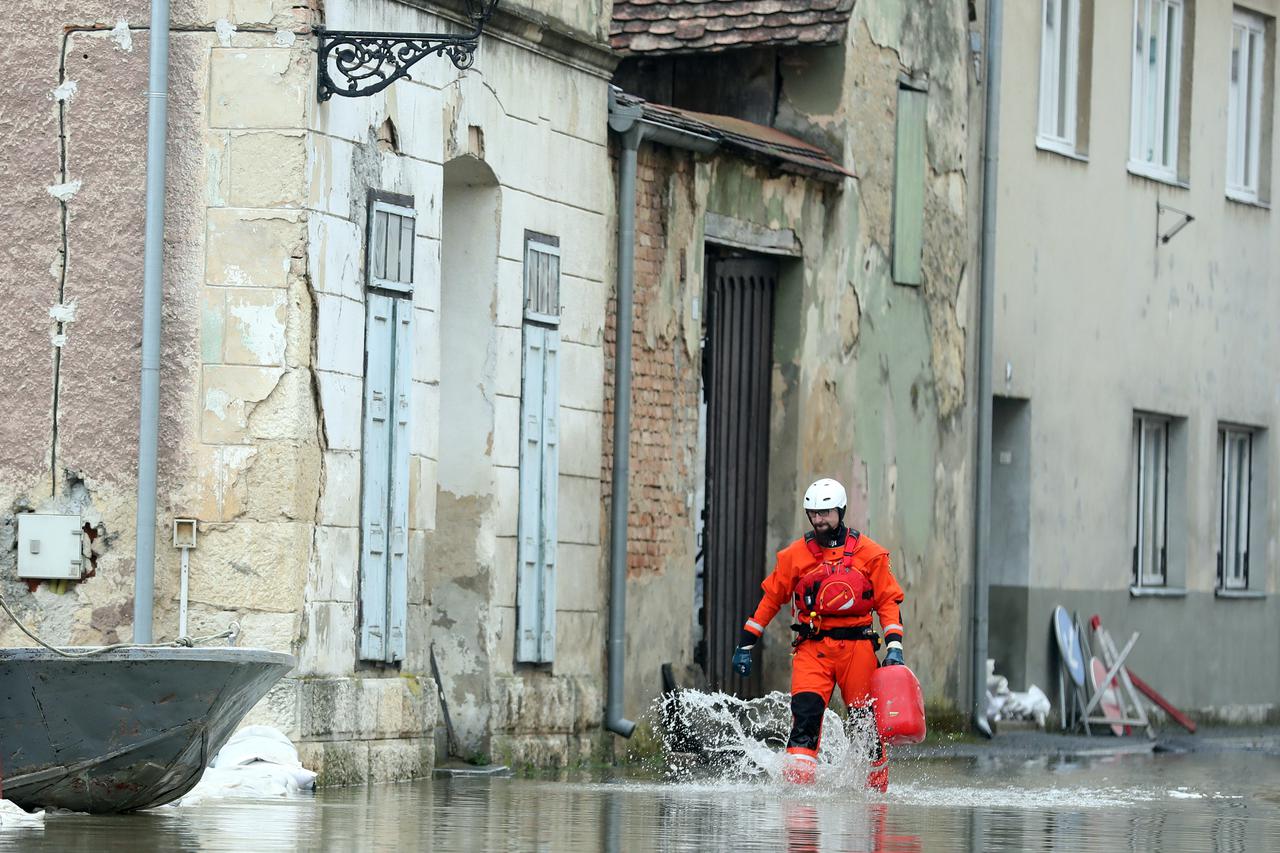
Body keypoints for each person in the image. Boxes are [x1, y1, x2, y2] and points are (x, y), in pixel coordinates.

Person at [730, 477, 906, 789]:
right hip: (813, 648)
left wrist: (894, 646)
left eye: (825, 513)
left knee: (865, 725)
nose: (819, 520)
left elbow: (887, 601)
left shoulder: (872, 555)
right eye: (813, 513)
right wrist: (746, 643)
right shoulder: (794, 557)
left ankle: (875, 797)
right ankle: (799, 803)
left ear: (841, 511)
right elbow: (771, 599)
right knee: (805, 718)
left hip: (858, 648)